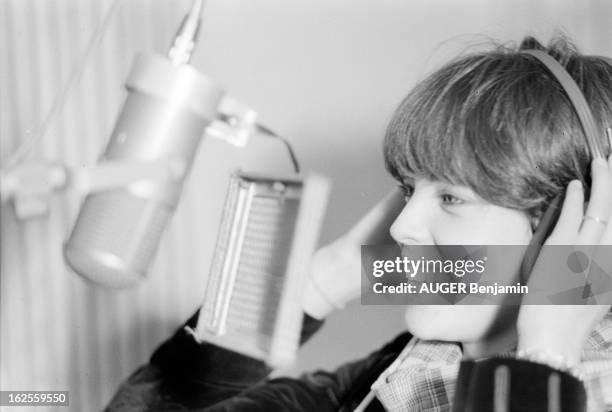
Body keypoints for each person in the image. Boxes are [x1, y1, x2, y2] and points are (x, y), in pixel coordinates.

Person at [105, 35, 612, 411]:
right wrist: (332, 276)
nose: (402, 225)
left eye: (452, 197)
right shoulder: (411, 371)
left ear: (567, 232)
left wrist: (546, 363)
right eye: (410, 191)